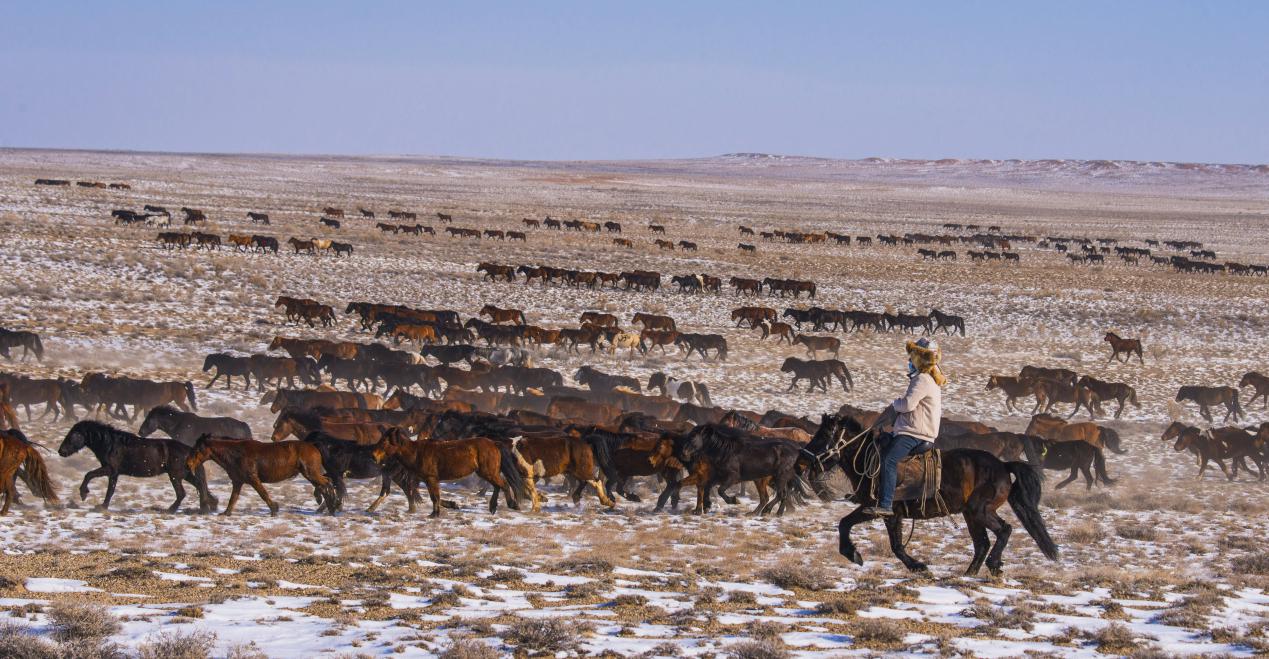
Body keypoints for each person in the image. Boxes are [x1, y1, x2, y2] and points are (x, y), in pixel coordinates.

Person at [861, 337, 946, 516]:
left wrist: (894, 404)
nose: (909, 361)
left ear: (920, 358)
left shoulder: (922, 379)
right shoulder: (930, 378)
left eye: (912, 356)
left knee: (889, 460)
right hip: (915, 430)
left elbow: (907, 405)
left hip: (914, 433)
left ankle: (885, 504)